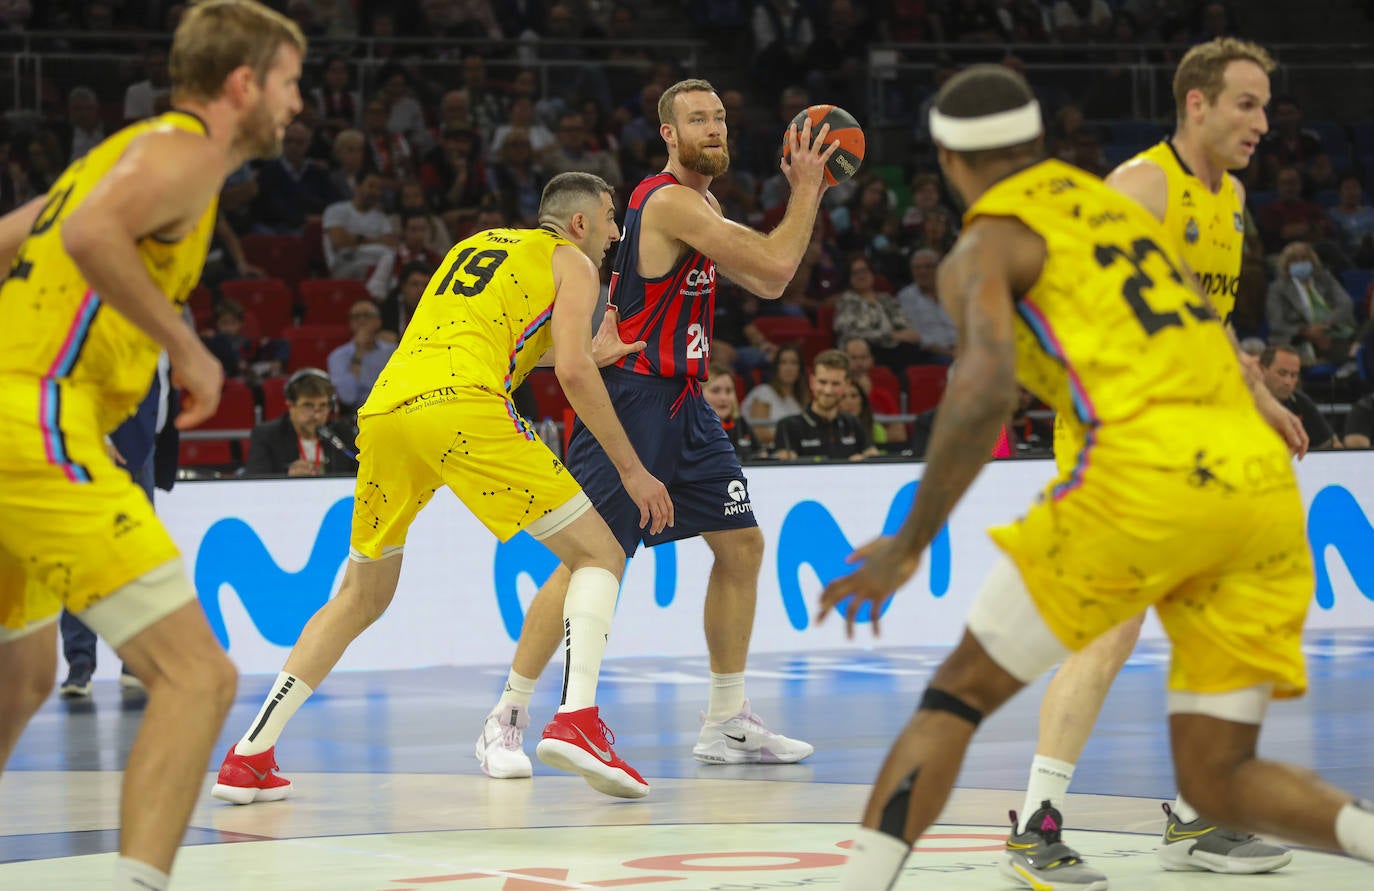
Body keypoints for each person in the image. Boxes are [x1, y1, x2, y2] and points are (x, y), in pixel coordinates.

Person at [818, 64, 1374, 891]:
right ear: (1042, 141)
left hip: (1141, 472)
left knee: (956, 697)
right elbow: (1201, 321)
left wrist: (909, 542)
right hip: (1253, 483)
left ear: (947, 160)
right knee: (1220, 769)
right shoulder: (1128, 199)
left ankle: (899, 867)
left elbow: (980, 395)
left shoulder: (985, 243)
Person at [214, 172, 672, 803]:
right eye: (611, 218)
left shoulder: (474, 245)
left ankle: (249, 754)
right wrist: (632, 469)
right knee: (600, 553)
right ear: (579, 223)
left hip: (387, 410)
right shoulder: (574, 263)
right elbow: (564, 370)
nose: (617, 232)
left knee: (359, 595)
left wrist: (591, 353)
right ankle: (577, 720)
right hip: (462, 407)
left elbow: (495, 340)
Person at [0, 4, 305, 890]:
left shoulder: (112, 157)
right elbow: (93, 238)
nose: (294, 104)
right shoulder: (189, 153)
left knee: (21, 675)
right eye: (287, 82)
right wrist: (186, 345)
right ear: (243, 84)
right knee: (198, 676)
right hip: (38, 419)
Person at [990, 37, 1305, 888]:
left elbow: (1205, 320)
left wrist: (1259, 397)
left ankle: (1199, 813)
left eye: (1268, 106)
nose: (1262, 123)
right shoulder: (1139, 186)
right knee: (1113, 630)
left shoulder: (1230, 196)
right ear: (1197, 104)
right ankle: (1035, 822)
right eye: (1247, 103)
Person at [477, 78, 835, 784]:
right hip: (635, 399)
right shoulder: (667, 200)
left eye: (721, 117)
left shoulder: (700, 202)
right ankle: (507, 715)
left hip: (686, 402)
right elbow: (773, 273)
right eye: (697, 119)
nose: (714, 128)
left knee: (741, 545)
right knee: (591, 559)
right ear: (668, 134)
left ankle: (727, 719)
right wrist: (810, 187)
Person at [244, 369, 360, 476]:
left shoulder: (342, 434)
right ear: (290, 405)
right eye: (308, 406)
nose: (317, 415)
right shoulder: (267, 435)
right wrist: (287, 476)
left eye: (323, 405)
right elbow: (255, 480)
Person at [773, 349, 877, 461]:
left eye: (835, 384)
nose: (828, 390)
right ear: (812, 381)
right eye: (822, 382)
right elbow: (785, 471)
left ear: (847, 385)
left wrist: (863, 461)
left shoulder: (852, 422)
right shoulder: (788, 426)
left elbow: (875, 460)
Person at [1260, 345, 1341, 450]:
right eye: (1282, 373)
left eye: (1293, 375)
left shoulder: (1300, 402)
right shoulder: (1241, 401)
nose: (1287, 382)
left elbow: (1332, 445)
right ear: (1262, 370)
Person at [704, 361, 761, 460]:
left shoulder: (741, 424)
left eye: (729, 391)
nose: (724, 398)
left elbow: (760, 456)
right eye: (715, 391)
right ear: (698, 394)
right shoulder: (690, 430)